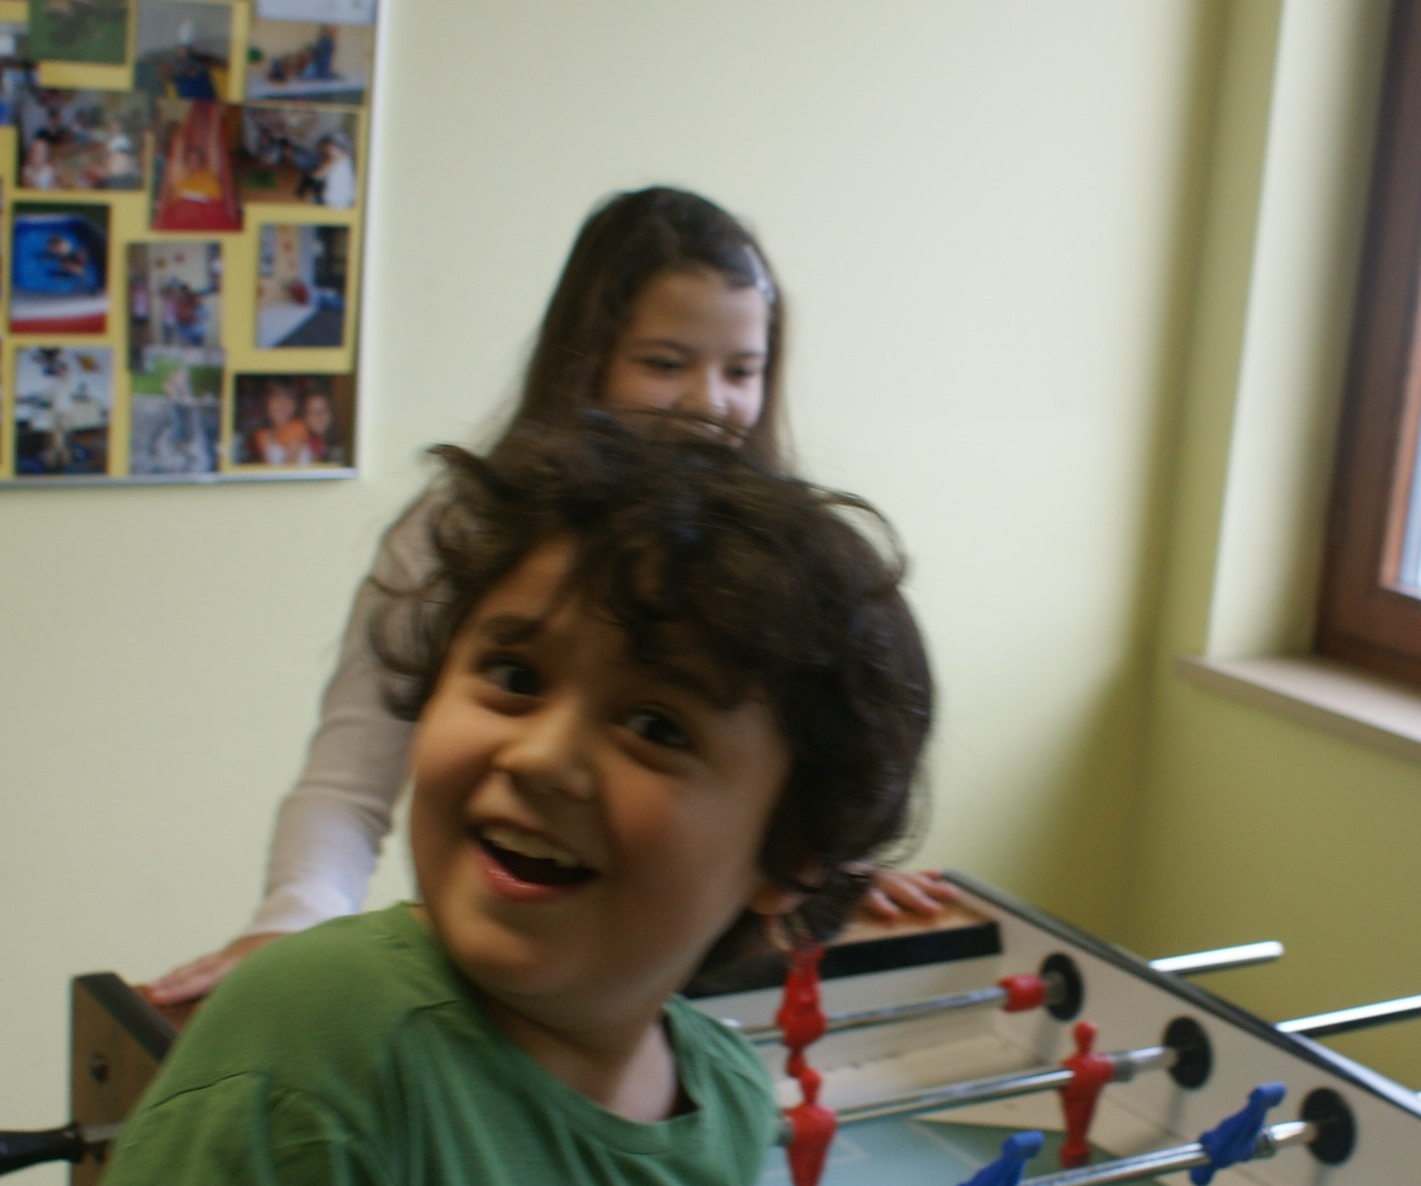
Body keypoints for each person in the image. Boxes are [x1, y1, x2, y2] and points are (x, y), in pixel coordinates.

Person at [15, 419, 936, 1186]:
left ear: (790, 853)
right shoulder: (322, 1045)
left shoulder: (719, 1105)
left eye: (656, 726)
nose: (540, 756)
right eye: (515, 677)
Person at [148, 189, 948, 1005]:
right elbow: (347, 786)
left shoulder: (776, 569)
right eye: (665, 364)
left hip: (686, 998)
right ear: (586, 359)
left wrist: (824, 864)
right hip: (524, 980)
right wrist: (293, 923)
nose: (710, 403)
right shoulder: (467, 532)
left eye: (741, 370)